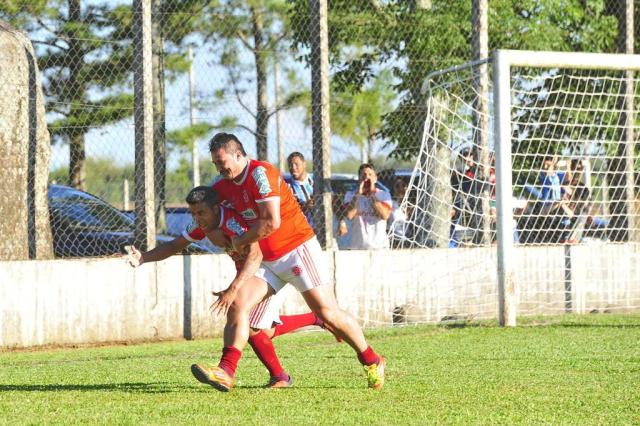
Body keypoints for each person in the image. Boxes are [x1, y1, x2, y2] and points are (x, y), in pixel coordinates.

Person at [196, 132, 385, 392]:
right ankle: (225, 372)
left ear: (239, 154)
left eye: (222, 161)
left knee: (327, 312)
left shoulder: (261, 174)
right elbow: (205, 212)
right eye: (215, 164)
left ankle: (372, 360)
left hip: (297, 249)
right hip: (267, 261)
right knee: (241, 307)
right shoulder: (222, 186)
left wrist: (237, 242)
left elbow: (271, 222)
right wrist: (211, 230)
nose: (219, 168)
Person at [125, 186, 331, 389]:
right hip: (251, 275)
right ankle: (286, 365)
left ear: (215, 208)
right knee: (257, 329)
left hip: (266, 272)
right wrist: (144, 257)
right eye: (193, 213)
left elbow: (255, 256)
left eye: (201, 212)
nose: (197, 218)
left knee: (245, 318)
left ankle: (229, 371)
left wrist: (234, 288)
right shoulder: (203, 225)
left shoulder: (234, 222)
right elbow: (173, 246)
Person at [340, 163, 393, 250]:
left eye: (370, 175)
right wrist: (358, 195)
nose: (366, 178)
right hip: (358, 246)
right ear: (359, 179)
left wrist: (372, 194)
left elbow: (384, 215)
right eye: (363, 175)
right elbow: (349, 215)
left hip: (379, 246)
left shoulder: (384, 194)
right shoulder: (350, 195)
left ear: (375, 178)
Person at [284, 152, 315, 227]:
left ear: (304, 164)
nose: (293, 168)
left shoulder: (316, 180)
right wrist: (305, 206)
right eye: (290, 165)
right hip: (299, 229)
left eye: (296, 164)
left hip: (320, 227)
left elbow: (333, 200)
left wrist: (341, 221)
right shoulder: (286, 185)